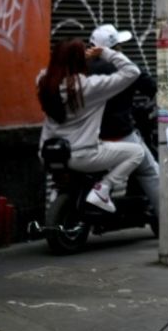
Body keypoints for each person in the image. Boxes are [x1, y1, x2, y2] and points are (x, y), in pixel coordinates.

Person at [37, 39, 145, 213]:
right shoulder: (91, 87)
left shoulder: (43, 82)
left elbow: (52, 72)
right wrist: (104, 52)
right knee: (136, 152)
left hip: (48, 154)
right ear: (81, 60)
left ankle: (58, 192)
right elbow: (132, 71)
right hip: (82, 155)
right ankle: (102, 190)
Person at [86, 24, 161, 215]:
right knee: (149, 171)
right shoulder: (124, 69)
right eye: (119, 45)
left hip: (85, 135)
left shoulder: (79, 68)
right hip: (118, 133)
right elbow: (151, 86)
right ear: (114, 48)